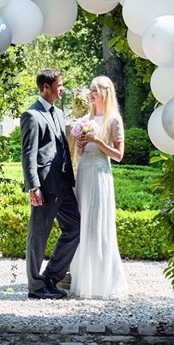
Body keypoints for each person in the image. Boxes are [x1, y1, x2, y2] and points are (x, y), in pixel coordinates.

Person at [20, 68, 81, 300]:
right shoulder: (31, 115)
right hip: (44, 186)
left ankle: (51, 279)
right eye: (59, 84)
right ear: (46, 87)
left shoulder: (58, 112)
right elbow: (28, 154)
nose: (62, 88)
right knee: (39, 235)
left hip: (64, 183)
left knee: (75, 227)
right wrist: (33, 186)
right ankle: (36, 287)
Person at [70, 76, 128, 299]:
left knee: (97, 223)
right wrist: (82, 145)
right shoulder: (85, 119)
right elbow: (79, 153)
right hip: (84, 172)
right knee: (82, 222)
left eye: (95, 90)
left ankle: (103, 282)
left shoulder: (114, 120)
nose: (91, 93)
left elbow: (119, 155)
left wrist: (98, 142)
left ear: (105, 92)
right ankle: (82, 279)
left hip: (101, 173)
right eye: (90, 89)